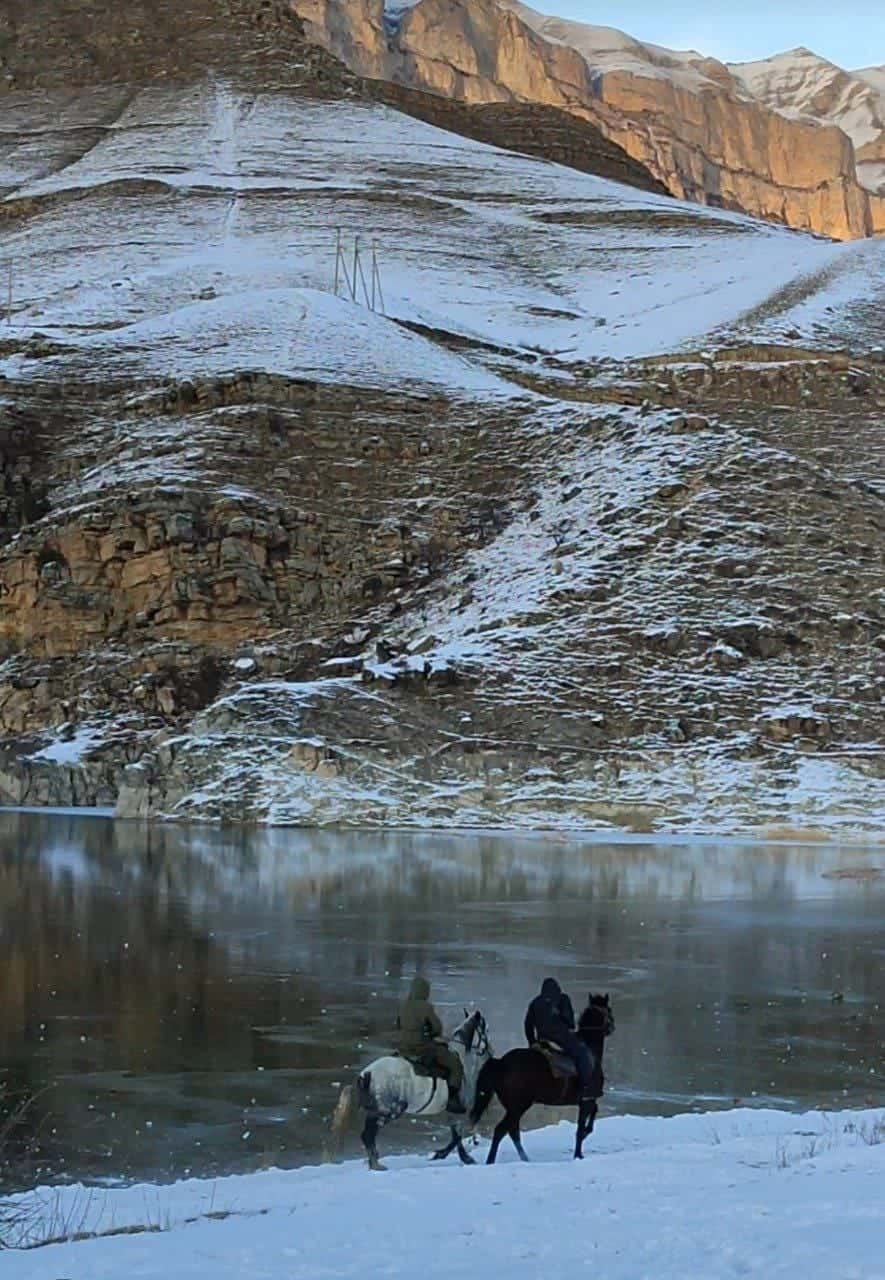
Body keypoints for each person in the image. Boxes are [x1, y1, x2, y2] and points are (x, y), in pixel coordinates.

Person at [395, 976, 465, 1112]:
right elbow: (437, 1028)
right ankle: (452, 1098)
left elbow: (398, 1025)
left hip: (403, 1048)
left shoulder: (403, 1006)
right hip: (422, 1049)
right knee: (455, 1064)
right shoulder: (425, 1007)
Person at [524, 977, 593, 1099]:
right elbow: (570, 1022)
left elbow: (528, 1025)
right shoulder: (563, 999)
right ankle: (584, 1088)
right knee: (582, 1053)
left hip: (542, 1041)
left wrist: (532, 1042)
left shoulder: (535, 1002)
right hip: (561, 1040)